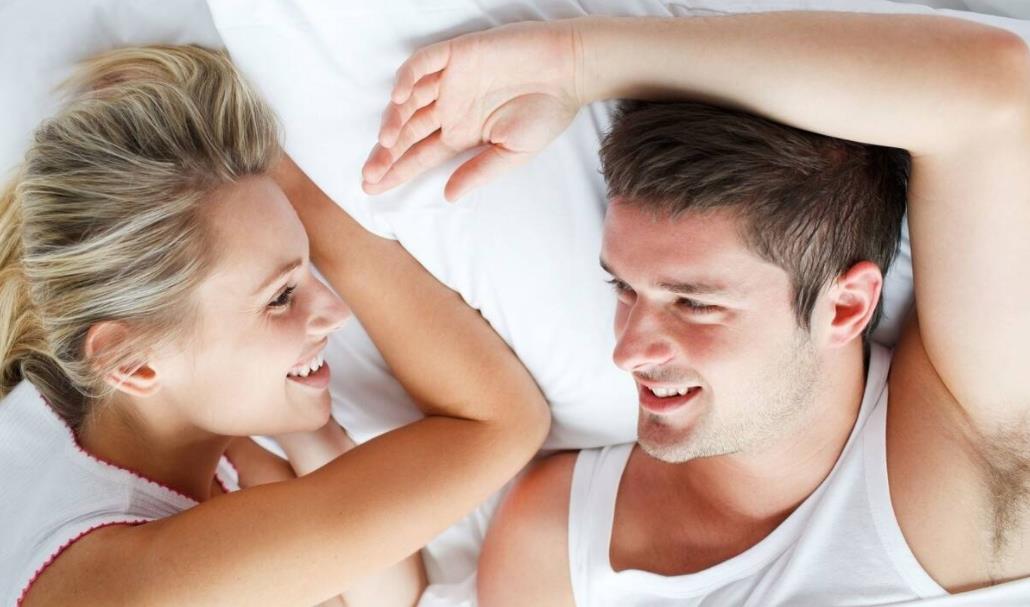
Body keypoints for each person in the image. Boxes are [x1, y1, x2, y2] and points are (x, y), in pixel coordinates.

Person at [361, 11, 1030, 605]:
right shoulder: (559, 543)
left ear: (845, 307)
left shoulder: (957, 476)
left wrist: (580, 64)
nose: (628, 350)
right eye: (625, 289)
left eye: (695, 303)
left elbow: (995, 90)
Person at [0, 45, 550, 606]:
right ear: (133, 363)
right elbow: (501, 424)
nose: (337, 311)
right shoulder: (137, 584)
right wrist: (296, 187)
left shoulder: (159, 429)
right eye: (282, 297)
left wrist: (297, 405)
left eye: (310, 271)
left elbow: (385, 588)